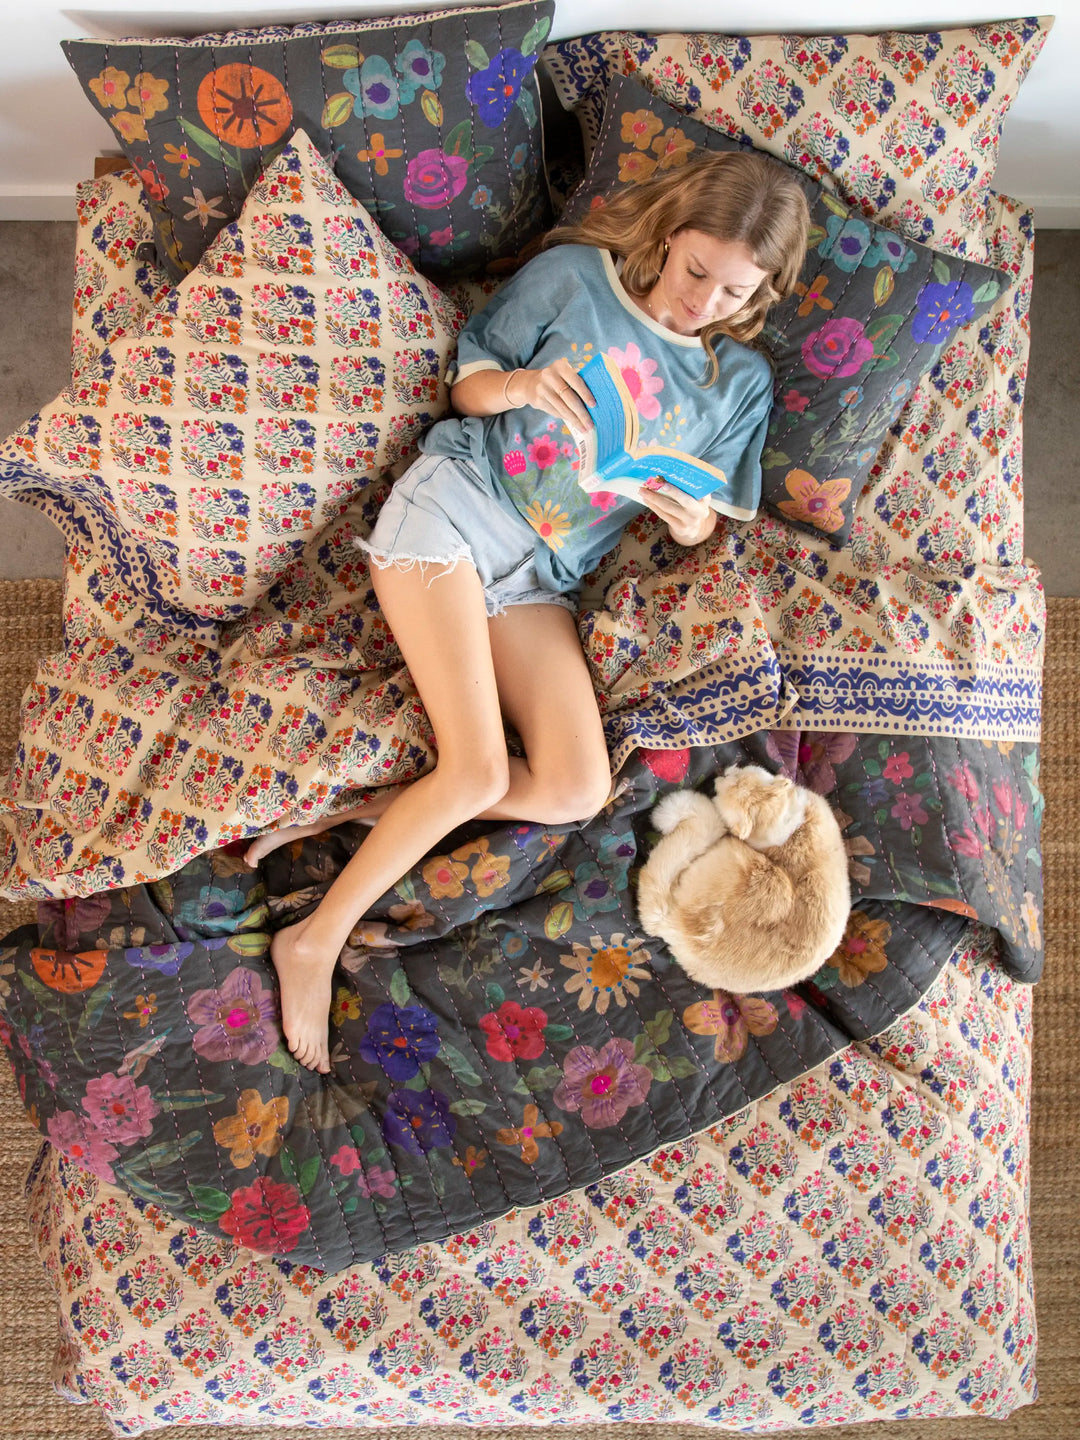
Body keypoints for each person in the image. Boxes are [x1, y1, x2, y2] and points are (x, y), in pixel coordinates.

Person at [245, 150, 811, 1072]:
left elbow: (710, 515)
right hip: (456, 507)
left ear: (762, 292)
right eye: (695, 270)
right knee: (474, 771)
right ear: (671, 236)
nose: (702, 301)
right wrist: (521, 388)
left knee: (575, 789)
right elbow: (468, 384)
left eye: (733, 291)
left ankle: (364, 811)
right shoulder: (576, 277)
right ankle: (313, 941)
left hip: (538, 577)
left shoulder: (738, 380)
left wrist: (689, 519)